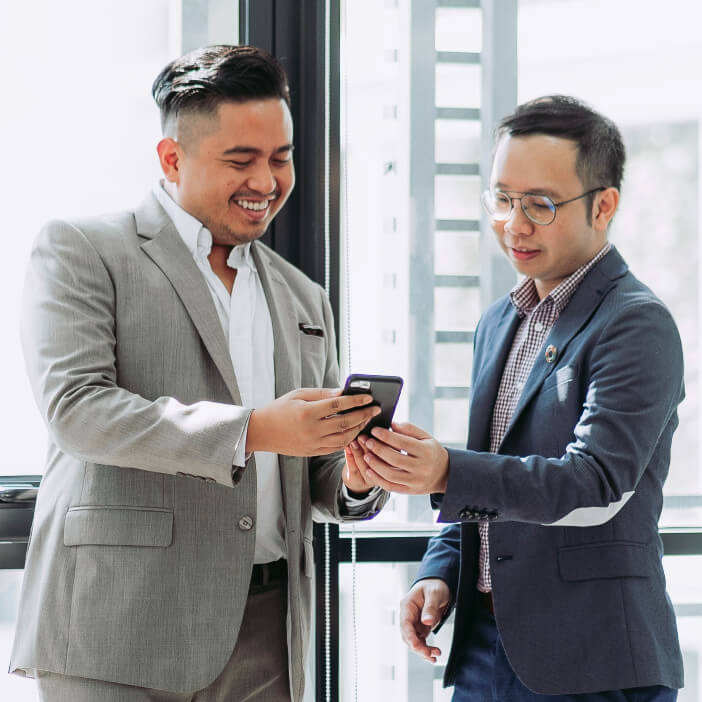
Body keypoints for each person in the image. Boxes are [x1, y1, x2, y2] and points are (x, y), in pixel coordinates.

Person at [11, 45, 386, 702]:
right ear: (172, 159)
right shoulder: (82, 250)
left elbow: (315, 477)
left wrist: (355, 477)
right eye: (241, 159)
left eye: (281, 157)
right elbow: (77, 409)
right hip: (121, 627)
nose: (266, 181)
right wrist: (255, 429)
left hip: (270, 630)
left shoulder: (305, 298)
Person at [348, 95, 684, 700]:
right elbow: (491, 478)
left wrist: (446, 469)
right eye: (502, 199)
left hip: (594, 660)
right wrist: (442, 572)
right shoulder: (500, 321)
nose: (514, 223)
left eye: (540, 204)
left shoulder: (637, 324)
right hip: (484, 647)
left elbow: (596, 484)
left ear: (604, 205)